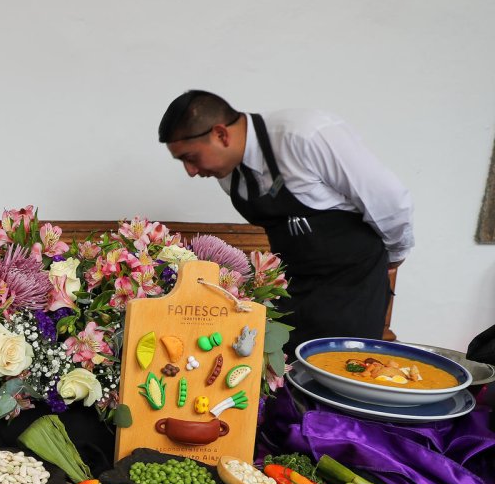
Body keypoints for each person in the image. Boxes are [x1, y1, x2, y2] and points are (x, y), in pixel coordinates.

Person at [158, 90, 414, 353]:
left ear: (221, 134)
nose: (190, 172)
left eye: (191, 158)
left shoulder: (305, 135)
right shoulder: (227, 175)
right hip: (295, 290)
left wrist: (393, 257)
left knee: (341, 378)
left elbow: (389, 201)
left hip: (353, 289)